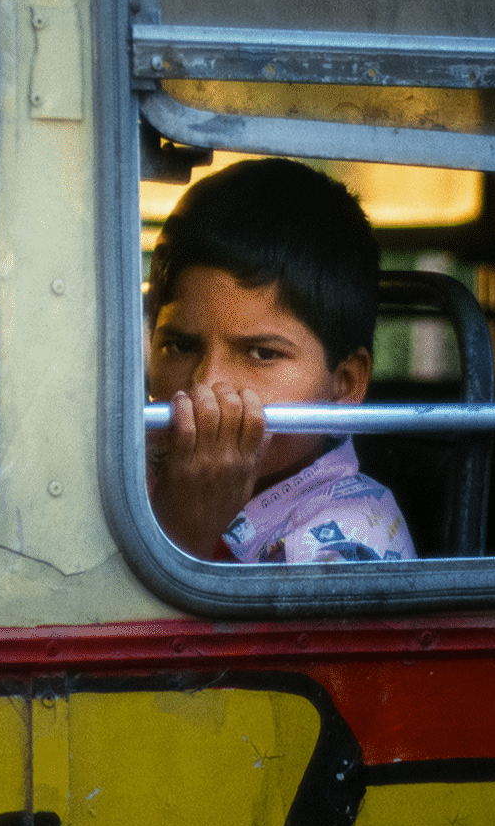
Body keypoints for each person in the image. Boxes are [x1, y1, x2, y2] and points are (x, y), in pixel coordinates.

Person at [145, 159, 414, 566]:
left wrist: (188, 529)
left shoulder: (352, 536)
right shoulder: (130, 467)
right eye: (180, 345)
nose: (205, 386)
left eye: (261, 354)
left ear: (345, 383)